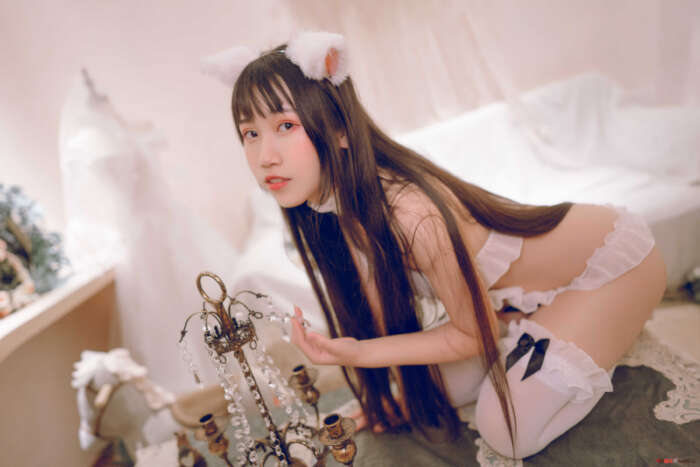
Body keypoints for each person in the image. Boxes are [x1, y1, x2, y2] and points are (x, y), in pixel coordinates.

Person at [215, 31, 666, 459]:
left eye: (285, 125)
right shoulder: (334, 207)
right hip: (516, 301)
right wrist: (387, 390)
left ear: (339, 129)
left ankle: (597, 334)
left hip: (609, 265)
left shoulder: (410, 213)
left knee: (505, 430)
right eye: (250, 133)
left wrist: (360, 354)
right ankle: (538, 325)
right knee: (433, 393)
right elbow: (385, 319)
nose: (264, 156)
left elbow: (471, 334)